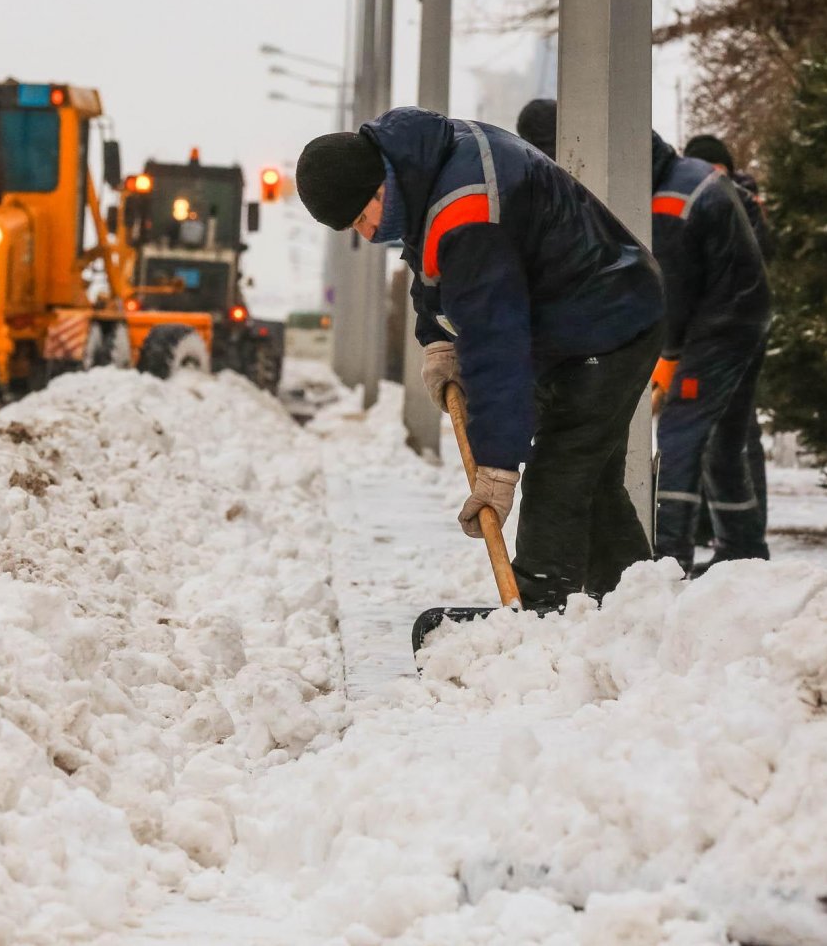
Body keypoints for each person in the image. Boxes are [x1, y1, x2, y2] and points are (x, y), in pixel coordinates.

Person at [295, 109, 665, 610]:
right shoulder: (422, 163)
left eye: (362, 218)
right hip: (574, 315)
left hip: (608, 317)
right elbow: (428, 261)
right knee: (590, 476)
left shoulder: (466, 213)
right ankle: (638, 603)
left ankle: (540, 604)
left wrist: (495, 467)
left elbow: (497, 344)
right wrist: (438, 339)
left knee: (562, 466)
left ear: (380, 186)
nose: (365, 233)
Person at [649, 131, 771, 573]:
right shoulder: (690, 176)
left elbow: (676, 290)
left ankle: (668, 555)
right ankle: (743, 547)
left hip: (718, 326)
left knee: (679, 429)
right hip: (747, 316)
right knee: (727, 438)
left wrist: (672, 352)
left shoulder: (669, 204)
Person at [680, 134, 773, 549]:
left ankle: (742, 535)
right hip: (710, 332)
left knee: (736, 433)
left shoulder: (738, 202)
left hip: (730, 335)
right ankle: (717, 530)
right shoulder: (726, 200)